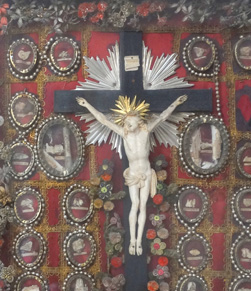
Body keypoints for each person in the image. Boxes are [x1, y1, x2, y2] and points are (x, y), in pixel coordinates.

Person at [77, 94, 187, 255]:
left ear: (139, 122)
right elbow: (103, 120)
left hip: (146, 172)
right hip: (134, 174)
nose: (128, 124)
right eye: (126, 122)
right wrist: (87, 104)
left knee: (142, 206)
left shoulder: (146, 131)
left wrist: (175, 103)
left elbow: (162, 117)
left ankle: (139, 241)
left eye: (131, 122)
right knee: (134, 205)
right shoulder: (124, 133)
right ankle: (132, 241)